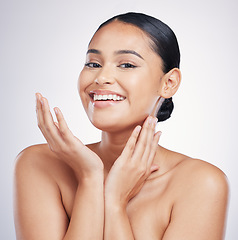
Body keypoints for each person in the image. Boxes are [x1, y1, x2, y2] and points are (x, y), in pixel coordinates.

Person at [14, 12, 229, 240]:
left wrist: (115, 202)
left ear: (169, 83)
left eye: (126, 64)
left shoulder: (201, 184)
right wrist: (90, 178)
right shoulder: (39, 164)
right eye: (93, 63)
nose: (102, 77)